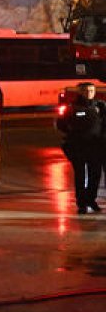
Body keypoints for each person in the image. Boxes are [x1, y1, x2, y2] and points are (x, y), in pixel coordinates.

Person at [57, 82, 105, 214]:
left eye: (91, 90)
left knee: (95, 175)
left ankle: (91, 200)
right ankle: (82, 203)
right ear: (80, 92)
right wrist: (74, 134)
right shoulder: (73, 107)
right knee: (80, 176)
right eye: (86, 90)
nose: (89, 93)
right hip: (78, 147)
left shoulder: (100, 106)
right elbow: (61, 124)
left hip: (95, 147)